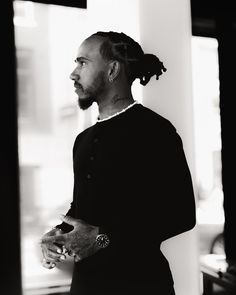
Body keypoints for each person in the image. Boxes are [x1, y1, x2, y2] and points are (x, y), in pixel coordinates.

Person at [40, 31, 196, 295]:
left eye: (82, 62)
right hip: (86, 286)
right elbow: (84, 208)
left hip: (141, 285)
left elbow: (181, 215)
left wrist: (100, 239)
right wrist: (57, 234)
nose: (73, 73)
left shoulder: (155, 130)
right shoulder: (83, 139)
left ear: (112, 70)